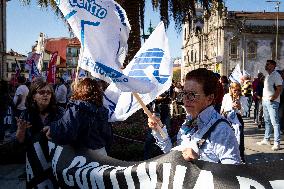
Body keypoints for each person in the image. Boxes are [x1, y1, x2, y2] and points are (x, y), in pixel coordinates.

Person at [148, 68, 241, 164]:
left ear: (209, 98)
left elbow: (232, 173)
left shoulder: (221, 129)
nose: (185, 99)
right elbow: (173, 154)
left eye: (192, 94)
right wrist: (159, 129)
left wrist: (199, 163)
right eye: (184, 93)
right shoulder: (189, 121)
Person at [43, 78, 113, 156]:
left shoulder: (77, 108)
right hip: (101, 152)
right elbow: (107, 135)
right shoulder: (103, 110)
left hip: (83, 155)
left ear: (81, 90)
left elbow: (67, 131)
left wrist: (52, 129)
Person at [15, 78, 64, 183]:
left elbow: (68, 134)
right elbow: (20, 141)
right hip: (35, 163)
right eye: (41, 92)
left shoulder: (60, 112)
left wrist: (55, 130)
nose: (45, 95)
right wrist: (21, 130)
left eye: (48, 92)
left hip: (56, 161)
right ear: (33, 96)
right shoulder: (26, 114)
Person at [257, 60, 283, 151]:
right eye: (266, 64)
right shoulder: (268, 75)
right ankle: (266, 139)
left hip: (272, 102)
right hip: (266, 101)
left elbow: (279, 88)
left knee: (275, 122)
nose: (266, 65)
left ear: (273, 66)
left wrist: (273, 98)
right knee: (267, 121)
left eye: (268, 64)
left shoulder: (276, 75)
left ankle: (277, 142)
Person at [221, 82, 248, 162]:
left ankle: (240, 157)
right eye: (235, 90)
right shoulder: (226, 96)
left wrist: (240, 107)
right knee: (227, 138)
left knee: (239, 137)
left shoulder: (243, 98)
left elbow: (245, 111)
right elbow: (222, 109)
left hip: (238, 118)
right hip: (227, 118)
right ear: (231, 89)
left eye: (238, 90)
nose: (237, 92)